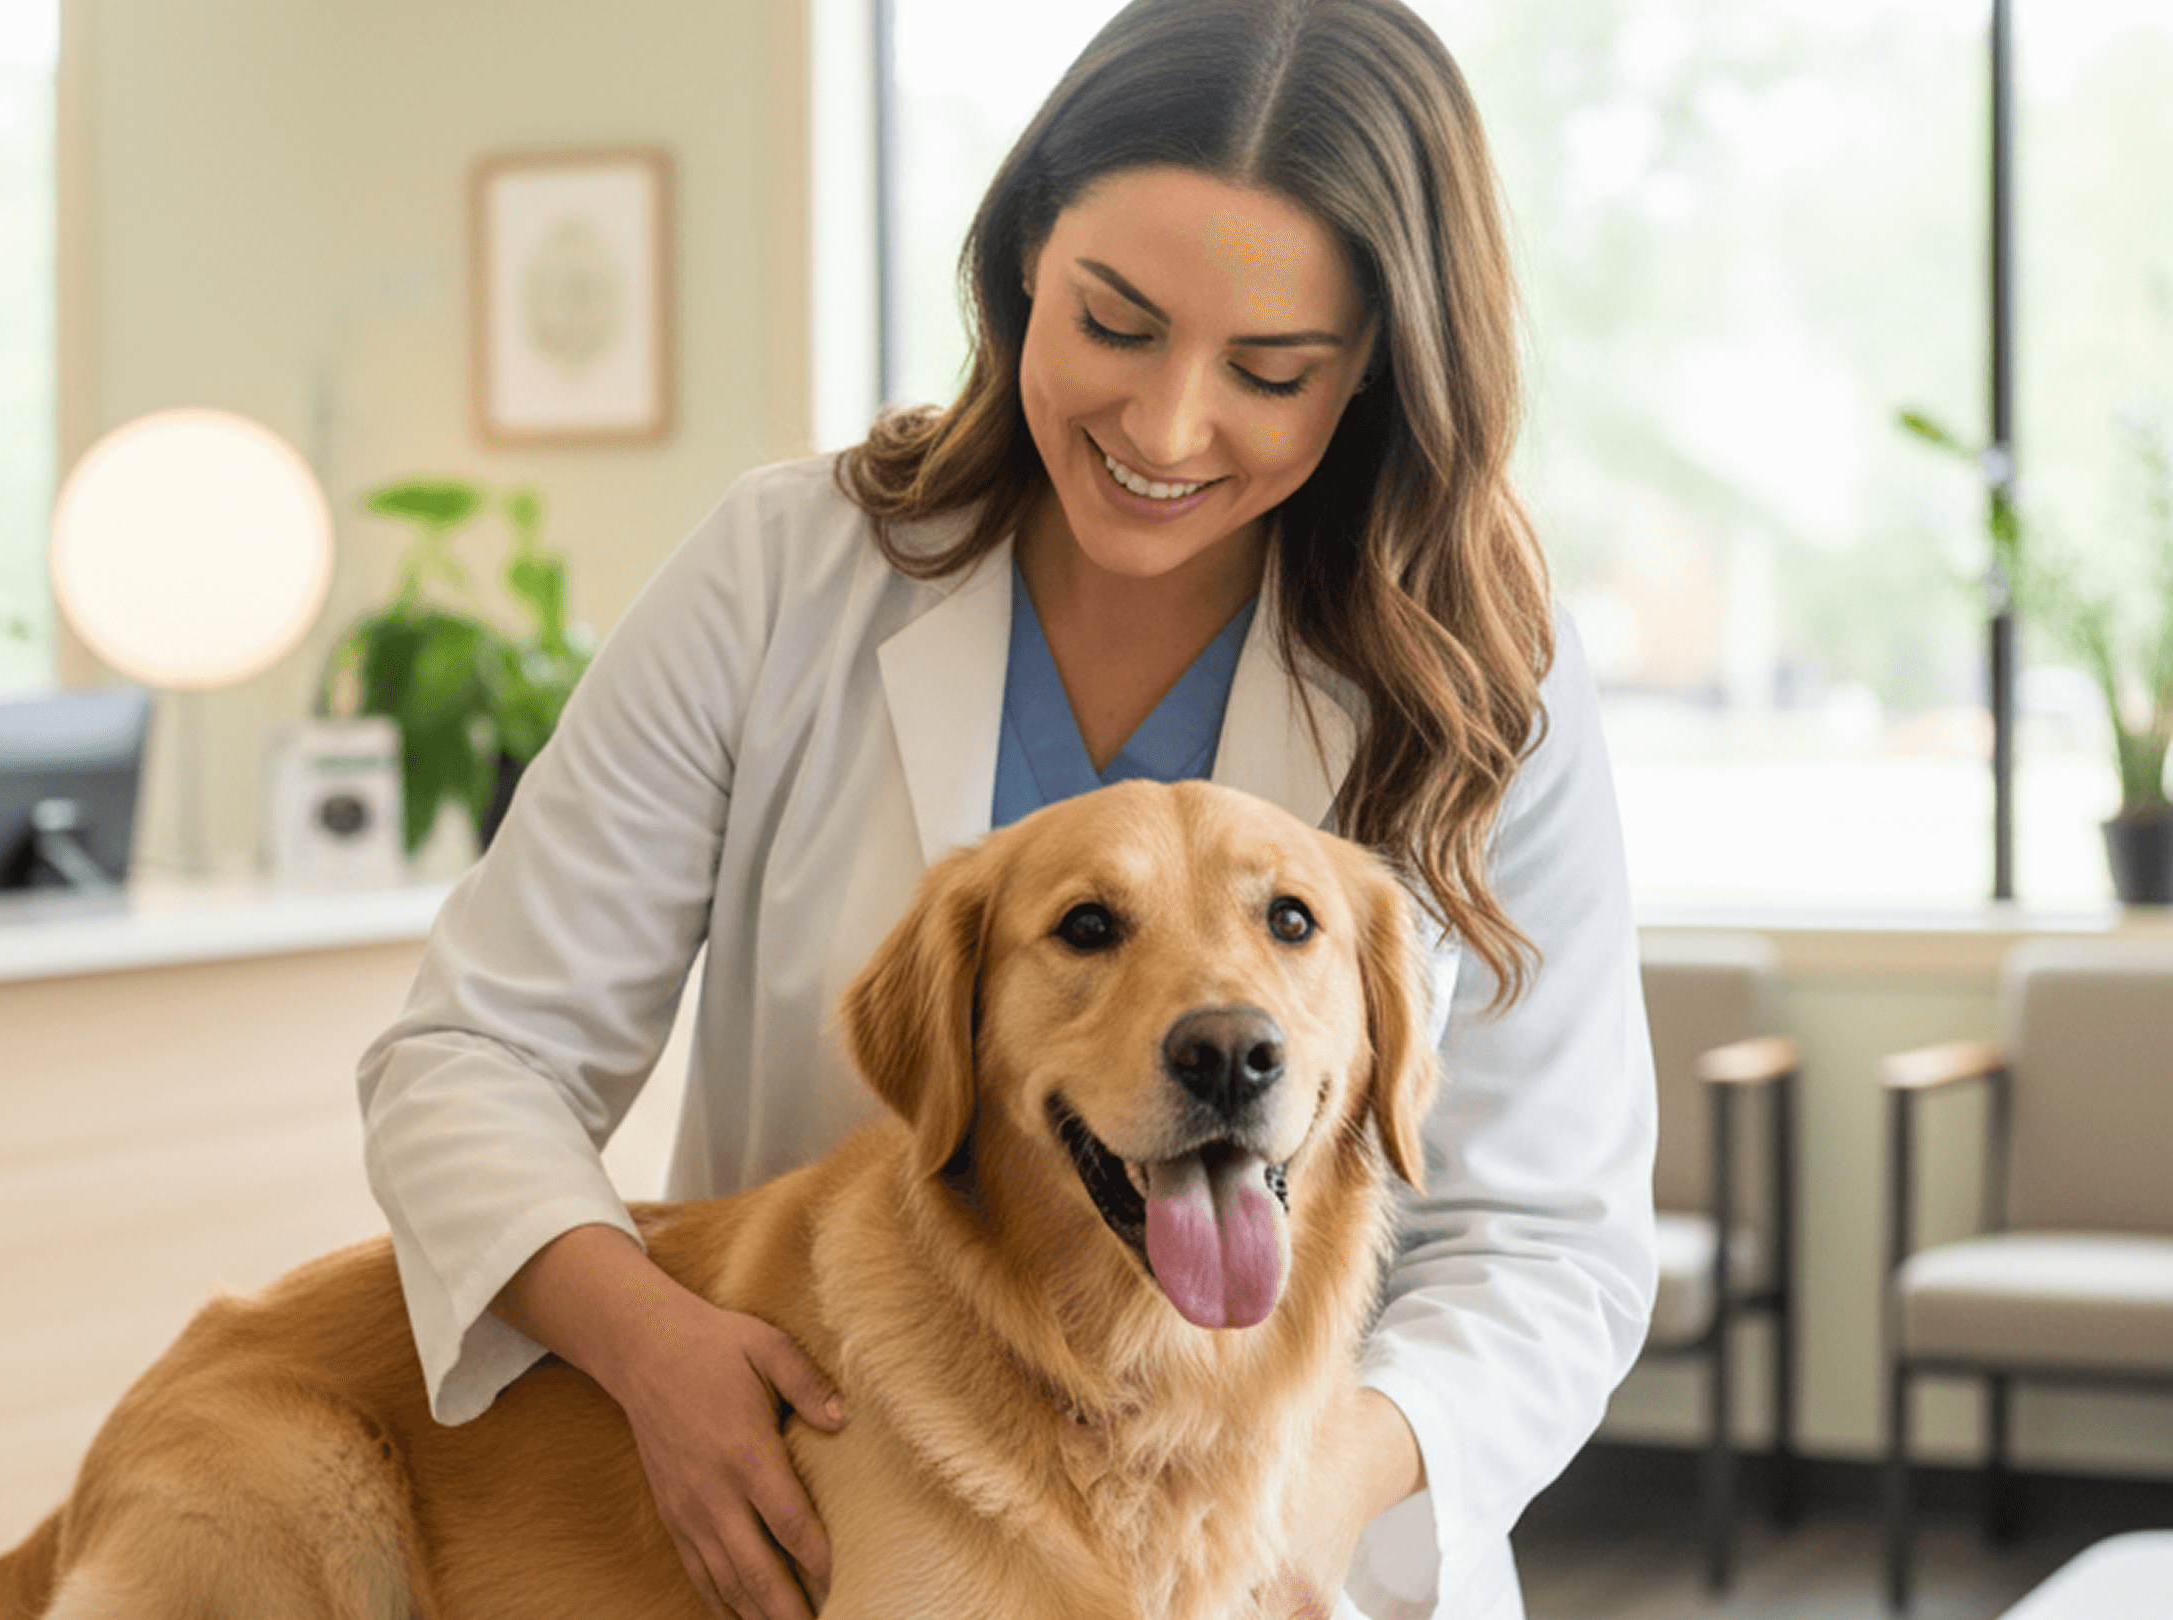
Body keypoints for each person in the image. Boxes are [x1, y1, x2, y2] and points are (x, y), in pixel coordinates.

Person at [356, 1, 1657, 1615]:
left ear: (1376, 370)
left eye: (1270, 371)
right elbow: (474, 1057)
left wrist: (1306, 1497)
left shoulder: (1481, 669)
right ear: (1024, 257)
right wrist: (655, 1354)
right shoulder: (783, 574)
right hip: (838, 1518)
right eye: (1115, 323)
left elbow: (1550, 1240)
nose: (1166, 428)